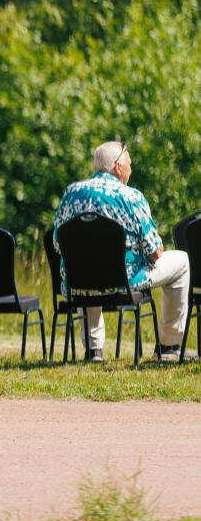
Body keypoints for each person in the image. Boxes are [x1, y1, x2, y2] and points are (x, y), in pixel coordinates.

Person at [53, 141, 191, 362]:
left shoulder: (71, 193)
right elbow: (155, 253)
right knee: (182, 261)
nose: (131, 169)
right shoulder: (131, 197)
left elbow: (57, 244)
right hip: (124, 282)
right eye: (129, 163)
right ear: (117, 167)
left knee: (84, 266)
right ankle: (168, 347)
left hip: (78, 283)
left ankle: (93, 351)